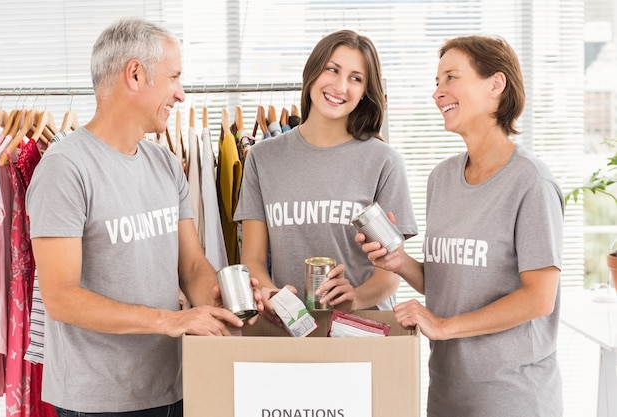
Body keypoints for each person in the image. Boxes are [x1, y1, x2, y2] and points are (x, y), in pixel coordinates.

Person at [25, 18, 261, 417]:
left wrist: (230, 306)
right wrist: (171, 319)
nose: (181, 94)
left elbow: (190, 265)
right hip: (99, 402)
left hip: (174, 386)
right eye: (174, 77)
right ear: (135, 74)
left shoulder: (165, 163)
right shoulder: (65, 168)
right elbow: (61, 298)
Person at [358, 34, 564, 417]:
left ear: (495, 85)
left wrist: (442, 325)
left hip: (513, 397)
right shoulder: (441, 178)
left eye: (451, 77)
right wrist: (398, 261)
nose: (438, 93)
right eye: (437, 82)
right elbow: (449, 281)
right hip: (448, 392)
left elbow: (539, 297)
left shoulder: (532, 182)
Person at [234, 29, 418, 325]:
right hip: (290, 330)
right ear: (312, 72)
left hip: (363, 333)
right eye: (332, 69)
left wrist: (355, 296)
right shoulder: (262, 158)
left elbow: (390, 276)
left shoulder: (384, 162)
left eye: (356, 78)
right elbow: (253, 259)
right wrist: (274, 297)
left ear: (365, 91)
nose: (340, 86)